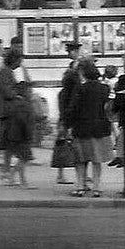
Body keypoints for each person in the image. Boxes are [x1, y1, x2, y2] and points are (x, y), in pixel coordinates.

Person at [68, 58, 113, 197]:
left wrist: (69, 125)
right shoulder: (105, 89)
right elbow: (109, 108)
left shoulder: (80, 89)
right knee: (97, 160)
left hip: (82, 128)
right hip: (100, 128)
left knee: (81, 160)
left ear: (84, 73)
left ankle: (80, 187)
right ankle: (97, 188)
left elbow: (73, 109)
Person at [55, 41, 83, 185]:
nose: (70, 53)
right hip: (71, 111)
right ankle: (66, 173)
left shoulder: (75, 66)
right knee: (68, 142)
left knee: (64, 141)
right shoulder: (75, 67)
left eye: (71, 51)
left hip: (67, 110)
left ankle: (63, 173)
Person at [1, 80, 36, 188]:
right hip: (22, 135)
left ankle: (11, 177)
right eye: (30, 90)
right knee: (24, 158)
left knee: (23, 158)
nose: (31, 92)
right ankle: (23, 181)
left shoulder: (14, 103)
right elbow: (24, 121)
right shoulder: (23, 105)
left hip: (13, 135)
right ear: (25, 91)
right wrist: (29, 134)